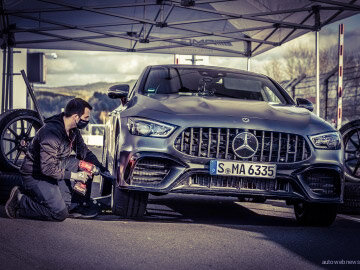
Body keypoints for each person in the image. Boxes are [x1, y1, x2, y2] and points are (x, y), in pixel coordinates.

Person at [5, 98, 108, 221]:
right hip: (36, 174)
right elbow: (47, 169)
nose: (87, 121)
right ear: (76, 117)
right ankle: (21, 201)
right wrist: (74, 175)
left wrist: (101, 169)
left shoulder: (73, 131)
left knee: (86, 165)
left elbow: (84, 152)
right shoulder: (51, 133)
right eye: (86, 118)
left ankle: (76, 204)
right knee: (59, 213)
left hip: (56, 168)